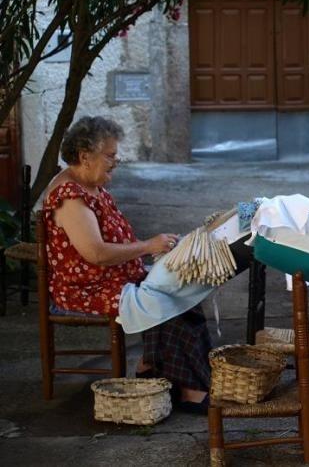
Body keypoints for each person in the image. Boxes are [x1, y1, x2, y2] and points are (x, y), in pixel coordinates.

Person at [43, 116, 211, 414]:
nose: (115, 162)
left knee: (183, 286)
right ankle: (187, 388)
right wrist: (148, 246)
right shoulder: (70, 198)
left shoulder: (90, 185)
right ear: (85, 156)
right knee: (164, 300)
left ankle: (157, 369)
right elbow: (95, 254)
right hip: (85, 289)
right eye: (110, 155)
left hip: (112, 278)